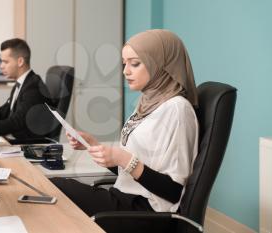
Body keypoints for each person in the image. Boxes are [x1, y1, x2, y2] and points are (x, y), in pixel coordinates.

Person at [50, 29, 199, 232]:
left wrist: (122, 158)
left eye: (135, 63)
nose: (125, 71)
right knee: (55, 187)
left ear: (160, 64)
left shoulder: (177, 109)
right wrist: (93, 146)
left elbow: (173, 191)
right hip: (126, 198)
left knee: (57, 187)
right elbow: (132, 170)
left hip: (147, 212)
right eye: (124, 63)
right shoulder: (148, 103)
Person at [0, 38, 52, 140]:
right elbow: (4, 111)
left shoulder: (33, 87)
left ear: (20, 61)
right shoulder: (21, 84)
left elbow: (17, 122)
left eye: (5, 62)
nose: (1, 66)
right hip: (18, 140)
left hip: (27, 145)